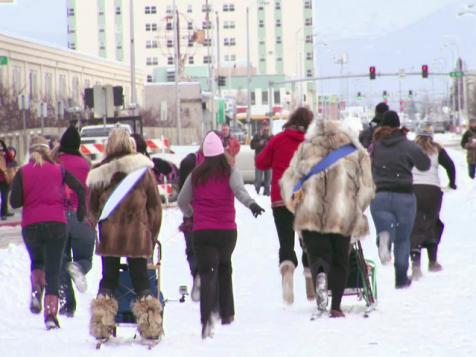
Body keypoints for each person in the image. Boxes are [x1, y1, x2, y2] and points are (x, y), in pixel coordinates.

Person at [280, 119, 375, 317]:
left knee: (318, 254)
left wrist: (295, 207)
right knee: (341, 259)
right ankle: (336, 306)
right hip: (342, 212)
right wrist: (357, 208)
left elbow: (289, 182)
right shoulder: (355, 152)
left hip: (310, 211)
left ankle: (321, 272)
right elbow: (367, 187)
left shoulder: (304, 149)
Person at [177, 131, 264, 339]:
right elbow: (239, 191)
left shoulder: (196, 174)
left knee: (207, 273)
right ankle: (227, 314)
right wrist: (251, 204)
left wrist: (193, 213)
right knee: (225, 267)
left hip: (203, 232)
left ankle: (207, 319)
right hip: (226, 233)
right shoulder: (230, 170)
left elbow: (182, 200)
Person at [87, 127, 163, 341]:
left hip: (110, 237)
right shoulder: (143, 171)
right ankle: (150, 326)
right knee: (141, 281)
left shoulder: (100, 172)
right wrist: (152, 235)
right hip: (137, 237)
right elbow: (155, 208)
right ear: (130, 144)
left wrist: (100, 227)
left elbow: (92, 208)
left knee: (108, 280)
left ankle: (102, 323)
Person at [9, 136, 86, 329]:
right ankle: (51, 315)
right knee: (53, 269)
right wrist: (82, 209)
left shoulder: (23, 172)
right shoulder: (59, 169)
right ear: (47, 150)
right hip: (56, 224)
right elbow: (78, 187)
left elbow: (15, 202)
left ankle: (36, 288)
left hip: (31, 226)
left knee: (37, 262)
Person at [255, 107, 313, 304]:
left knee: (286, 242)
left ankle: (287, 270)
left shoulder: (278, 140)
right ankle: (309, 279)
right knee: (308, 241)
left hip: (281, 199)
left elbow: (261, 163)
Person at [370, 111, 431, 288]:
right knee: (403, 239)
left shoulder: (376, 145)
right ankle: (401, 278)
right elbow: (425, 165)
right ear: (398, 126)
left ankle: (384, 239)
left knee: (385, 226)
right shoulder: (407, 145)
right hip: (404, 196)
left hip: (379, 196)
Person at [50, 125, 96, 317]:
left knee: (61, 261)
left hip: (59, 217)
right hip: (82, 217)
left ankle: (68, 304)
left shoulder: (54, 163)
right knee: (84, 258)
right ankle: (79, 268)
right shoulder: (86, 165)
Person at [410, 125, 456, 280]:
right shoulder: (437, 150)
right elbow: (450, 166)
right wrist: (452, 183)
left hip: (413, 190)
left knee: (414, 225)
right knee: (432, 222)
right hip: (433, 192)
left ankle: (415, 265)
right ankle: (433, 261)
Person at [177, 146, 205, 302]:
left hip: (191, 214)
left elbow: (182, 196)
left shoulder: (188, 162)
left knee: (191, 250)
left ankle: (196, 274)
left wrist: (188, 214)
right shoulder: (218, 163)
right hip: (210, 215)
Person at [250, 123, 273, 195]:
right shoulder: (257, 136)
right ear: (261, 127)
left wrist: (268, 142)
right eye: (264, 127)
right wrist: (260, 143)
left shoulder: (271, 136)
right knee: (258, 179)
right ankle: (256, 193)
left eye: (266, 127)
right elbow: (252, 146)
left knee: (268, 180)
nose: (265, 128)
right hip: (259, 161)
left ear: (269, 127)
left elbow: (275, 146)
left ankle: (267, 193)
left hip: (268, 161)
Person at [0, 139, 15, 220]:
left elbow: (10, 158)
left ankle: (4, 212)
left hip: (4, 178)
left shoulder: (5, 155)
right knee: (3, 196)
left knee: (4, 196)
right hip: (2, 177)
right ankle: (3, 213)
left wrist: (5, 149)